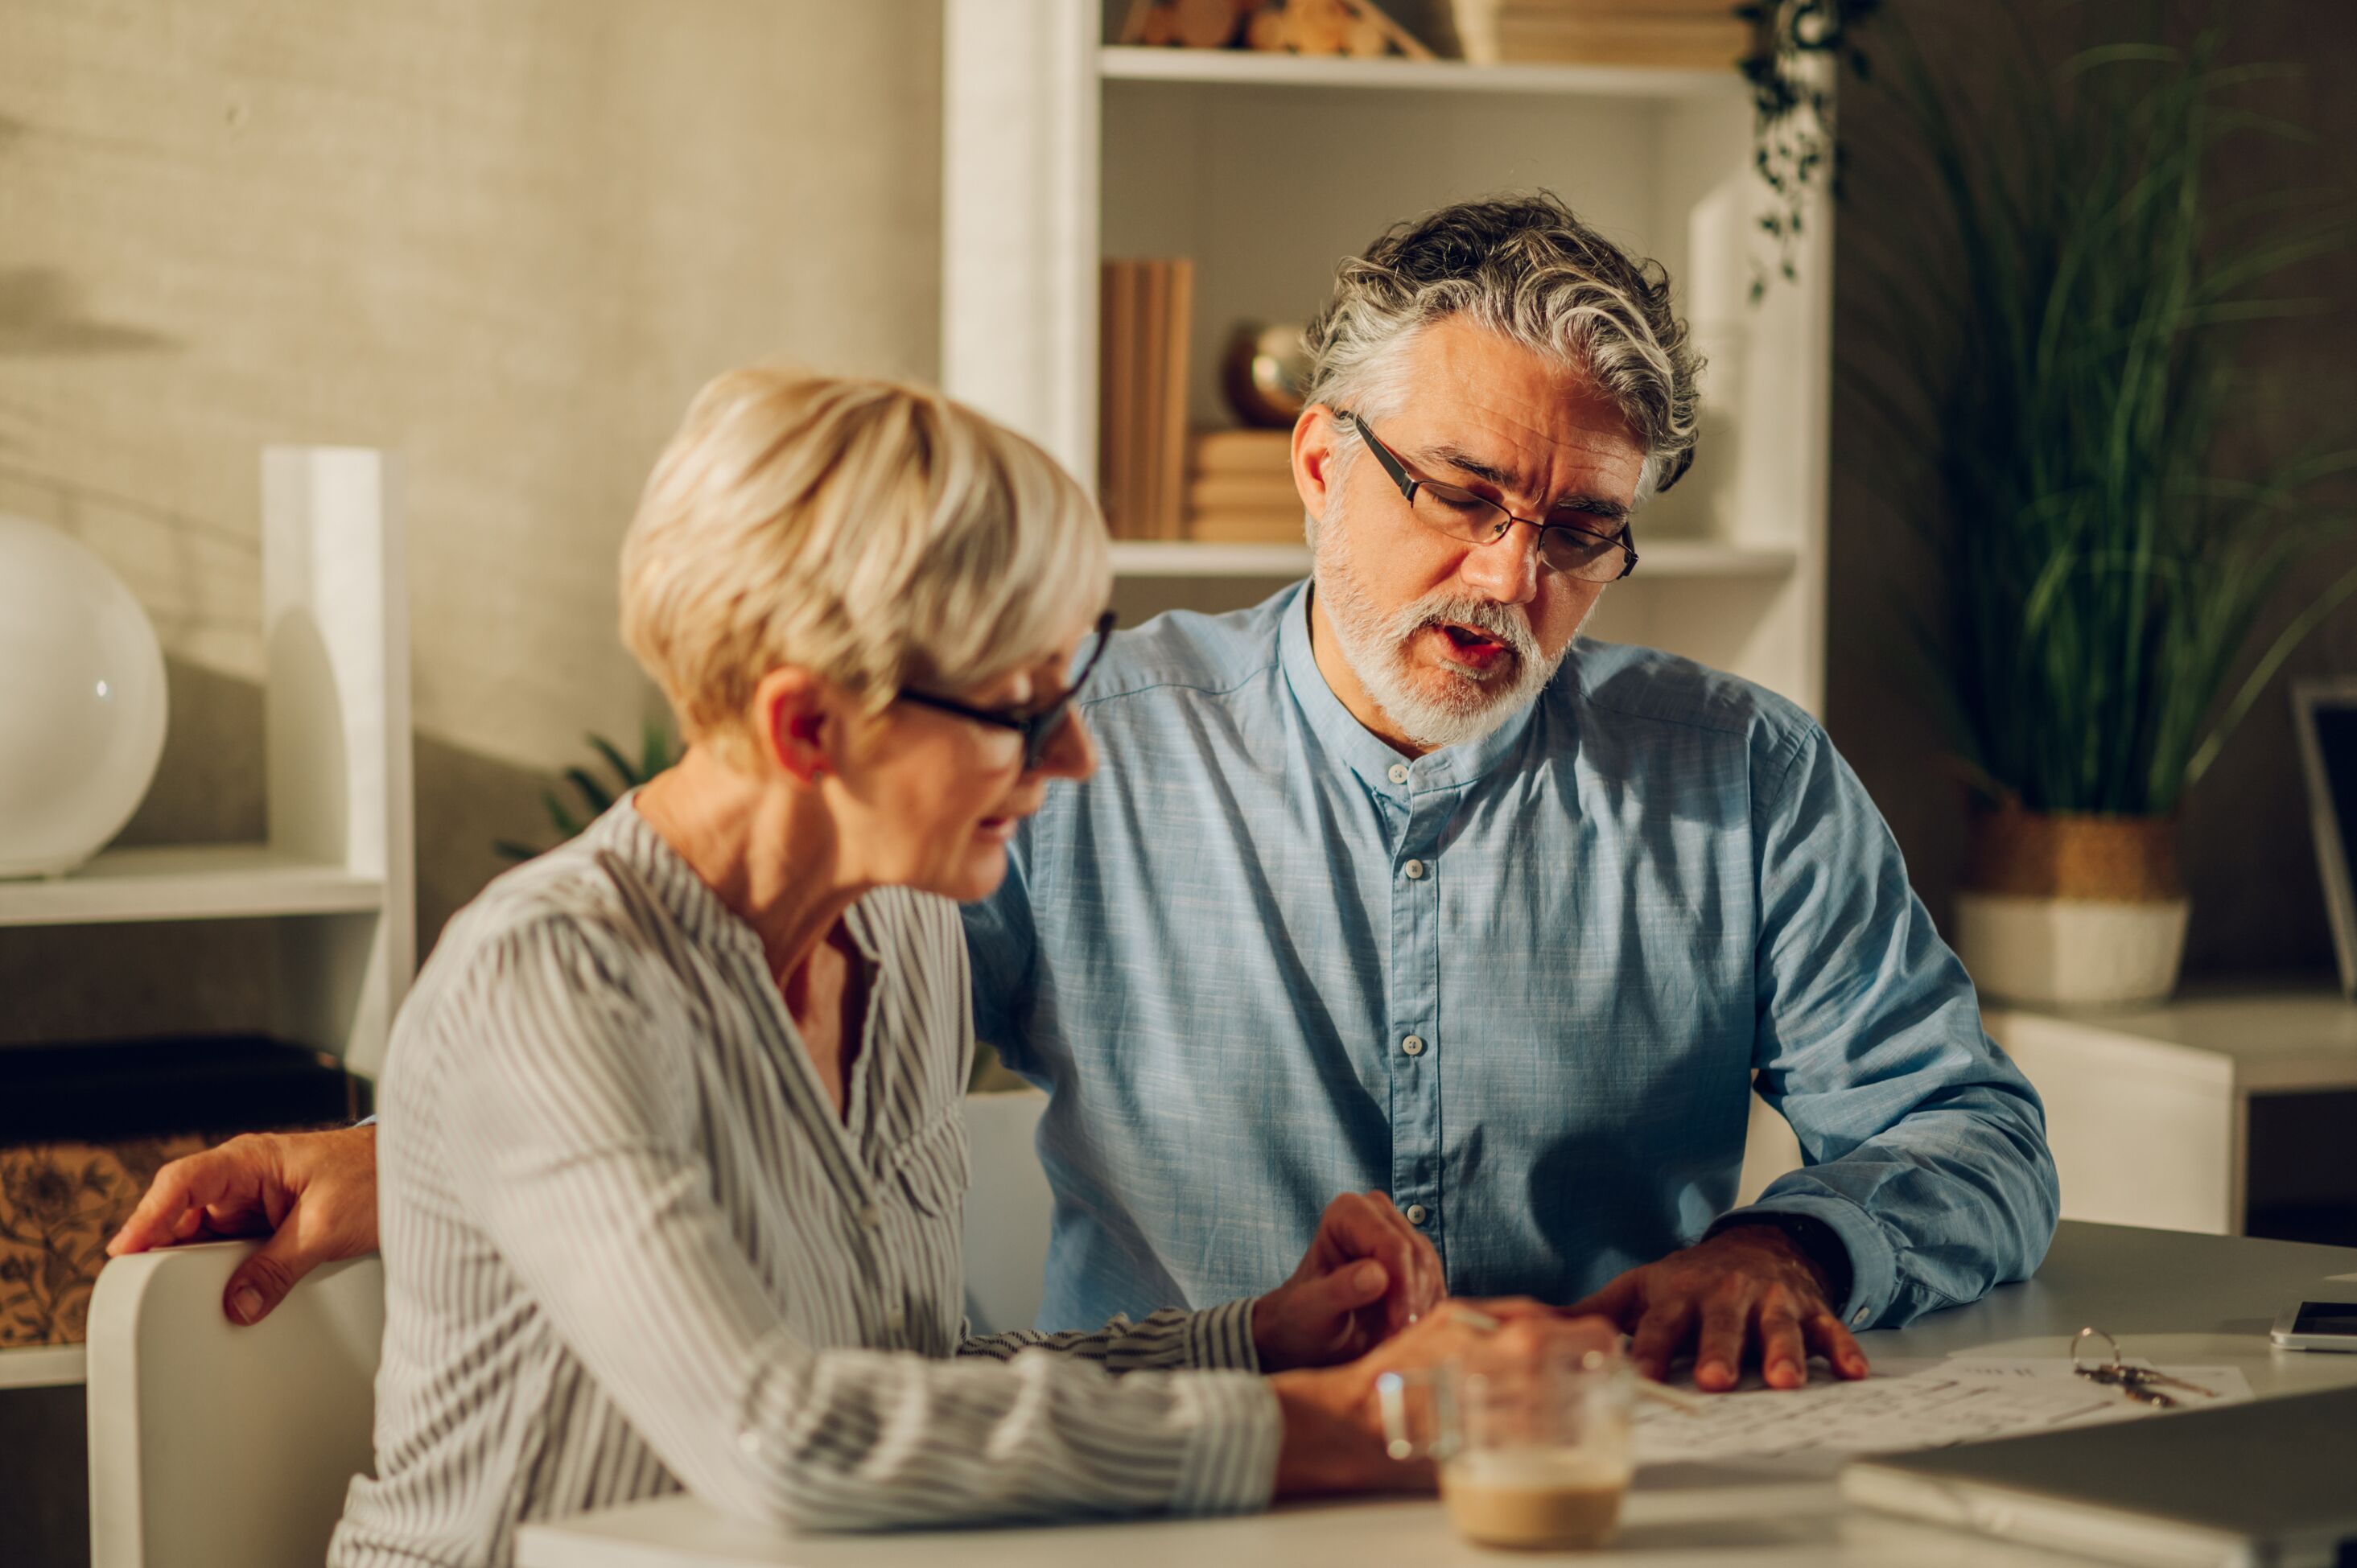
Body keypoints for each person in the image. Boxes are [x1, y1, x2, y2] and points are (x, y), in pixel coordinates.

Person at [115, 193, 2058, 1401]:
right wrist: (429, 1151)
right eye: (1460, 495)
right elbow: (742, 973)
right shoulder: (1066, 747)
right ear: (1316, 461)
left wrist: (1785, 1245)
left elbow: (1969, 1133)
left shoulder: (1739, 775)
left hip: (1593, 1496)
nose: (1506, 579)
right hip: (1167, 1494)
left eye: (1575, 533)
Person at [267, 369, 1608, 1564]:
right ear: (805, 726)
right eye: (1021, 711)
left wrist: (1253, 1337)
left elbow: (901, 1385)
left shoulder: (899, 934)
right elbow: (783, 1437)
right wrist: (1323, 1426)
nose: (1074, 758)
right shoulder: (551, 981)